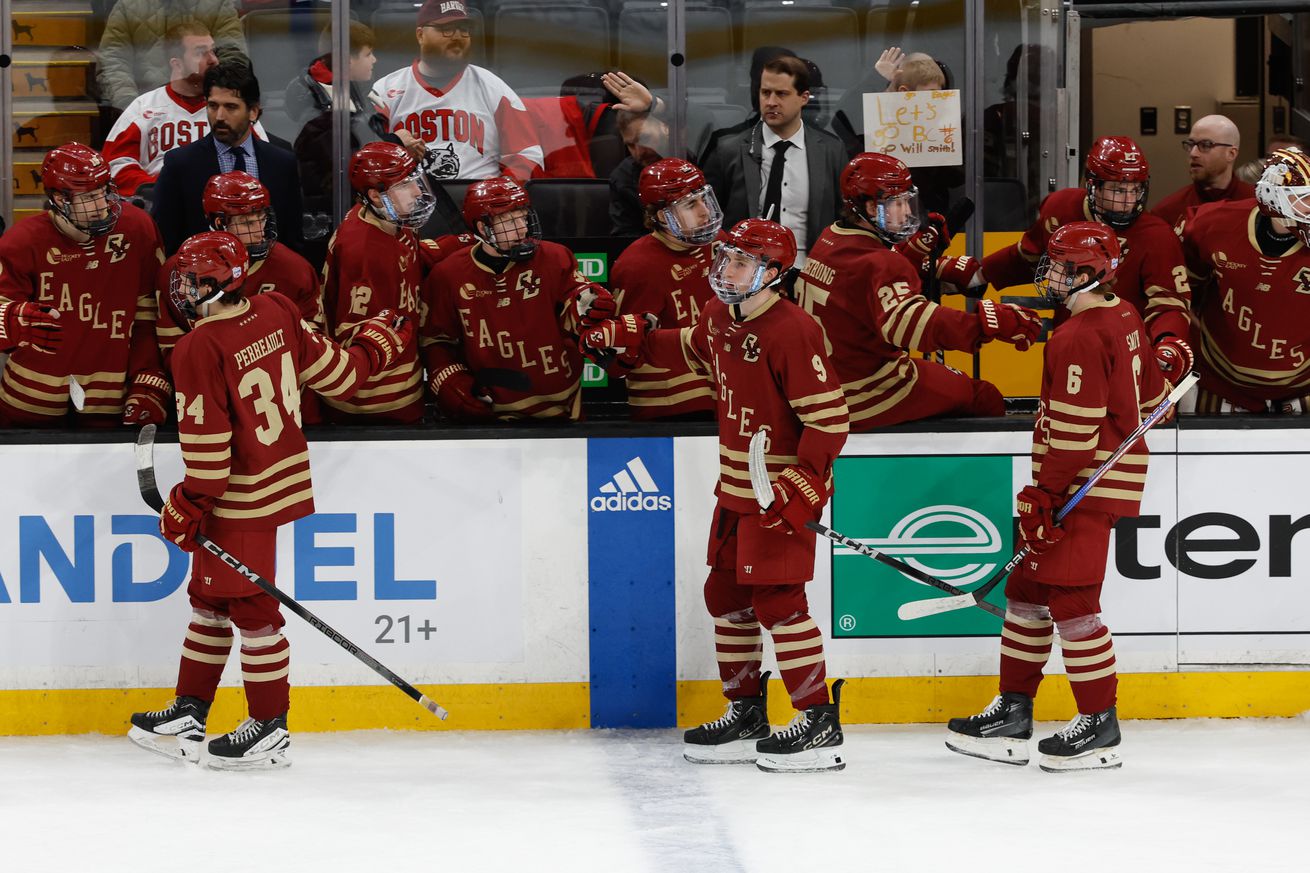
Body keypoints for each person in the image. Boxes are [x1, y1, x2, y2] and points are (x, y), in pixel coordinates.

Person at [127, 231, 413, 770]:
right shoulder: (277, 308)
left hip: (239, 495)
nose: (183, 290)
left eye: (195, 282)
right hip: (280, 479)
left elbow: (210, 457)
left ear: (222, 282)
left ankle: (268, 726)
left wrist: (187, 505)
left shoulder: (196, 347)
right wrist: (378, 343)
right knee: (210, 602)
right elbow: (341, 375)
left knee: (253, 611)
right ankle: (191, 708)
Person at [595, 218, 850, 772]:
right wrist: (631, 341)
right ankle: (746, 710)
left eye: (739, 262)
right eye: (726, 258)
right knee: (726, 599)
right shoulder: (718, 316)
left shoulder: (793, 330)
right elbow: (688, 348)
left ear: (774, 274)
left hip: (776, 496)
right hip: (734, 492)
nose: (725, 270)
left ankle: (817, 720)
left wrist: (801, 488)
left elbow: (829, 422)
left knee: (781, 605)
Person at [945, 222, 1176, 773]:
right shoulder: (1122, 313)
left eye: (1062, 267)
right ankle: (1014, 709)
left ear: (1090, 272)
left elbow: (1074, 433)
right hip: (1090, 481)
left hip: (1081, 488)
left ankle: (1099, 723)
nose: (1049, 275)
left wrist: (1045, 496)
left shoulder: (1077, 335)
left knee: (1073, 603)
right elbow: (1155, 394)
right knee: (1026, 590)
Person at [796, 153, 1041, 429]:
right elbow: (913, 325)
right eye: (896, 203)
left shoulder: (829, 239)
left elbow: (862, 287)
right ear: (868, 206)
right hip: (865, 393)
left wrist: (915, 261)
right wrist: (985, 324)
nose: (908, 212)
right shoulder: (882, 263)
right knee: (985, 397)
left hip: (825, 383)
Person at [422, 177, 620, 422]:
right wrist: (448, 378)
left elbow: (578, 300)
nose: (523, 228)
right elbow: (436, 340)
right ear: (483, 228)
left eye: (523, 217)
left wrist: (589, 305)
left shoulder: (556, 257)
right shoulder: (448, 275)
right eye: (509, 221)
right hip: (490, 415)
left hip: (564, 409)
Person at [0, 143, 167, 428]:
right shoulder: (21, 242)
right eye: (89, 197)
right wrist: (10, 321)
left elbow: (151, 317)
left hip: (110, 402)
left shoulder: (138, 229)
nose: (102, 206)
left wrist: (148, 382)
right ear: (57, 198)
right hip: (27, 404)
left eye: (104, 192)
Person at [981, 136, 1191, 359]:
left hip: (1126, 354)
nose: (1129, 200)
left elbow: (1169, 304)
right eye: (1118, 190)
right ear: (1093, 186)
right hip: (1069, 341)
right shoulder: (1061, 208)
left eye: (1135, 189)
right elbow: (1027, 259)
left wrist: (1168, 343)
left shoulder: (1157, 236)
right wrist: (978, 273)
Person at [320, 142, 443, 425]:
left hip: (404, 381)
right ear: (376, 196)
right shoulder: (363, 250)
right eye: (404, 186)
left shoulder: (390, 217)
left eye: (415, 181)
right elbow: (357, 339)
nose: (416, 192)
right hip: (376, 401)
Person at [1181, 147, 1310, 414]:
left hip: (1302, 391)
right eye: (1303, 199)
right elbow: (1179, 293)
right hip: (1219, 384)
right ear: (1272, 197)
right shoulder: (1213, 224)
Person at [156, 171, 322, 365]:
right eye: (247, 223)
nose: (260, 232)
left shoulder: (295, 270)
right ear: (219, 223)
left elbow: (313, 350)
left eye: (262, 219)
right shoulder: (178, 272)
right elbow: (173, 355)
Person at [369, 0, 543, 181]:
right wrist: (393, 146)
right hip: (410, 200)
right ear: (420, 35)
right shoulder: (384, 90)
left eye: (463, 29)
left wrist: (503, 191)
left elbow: (528, 154)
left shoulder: (493, 87)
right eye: (447, 29)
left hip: (483, 198)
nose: (457, 36)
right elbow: (366, 157)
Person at [703, 55, 845, 266]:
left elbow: (842, 218)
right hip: (746, 272)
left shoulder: (831, 150)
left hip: (808, 271)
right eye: (765, 92)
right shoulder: (728, 150)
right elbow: (709, 219)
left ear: (804, 97)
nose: (771, 102)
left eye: (781, 94)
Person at [609, 158, 723, 419]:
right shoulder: (637, 266)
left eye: (704, 200)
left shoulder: (720, 244)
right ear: (663, 216)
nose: (705, 211)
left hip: (723, 389)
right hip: (670, 405)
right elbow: (620, 361)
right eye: (691, 205)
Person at [152, 61, 304, 256]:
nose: (220, 116)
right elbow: (166, 240)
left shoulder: (282, 162)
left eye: (231, 107)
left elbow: (292, 240)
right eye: (213, 106)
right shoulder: (180, 164)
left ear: (253, 112)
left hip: (267, 278)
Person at [102, 21, 266, 200]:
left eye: (212, 51)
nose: (213, 60)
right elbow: (115, 162)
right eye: (201, 53)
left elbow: (264, 158)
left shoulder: (231, 106)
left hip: (225, 205)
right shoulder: (145, 106)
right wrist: (154, 188)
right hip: (159, 206)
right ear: (177, 64)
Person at [96, 0, 248, 112]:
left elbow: (233, 58)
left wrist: (216, 102)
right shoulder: (127, 6)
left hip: (207, 107)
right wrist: (131, 106)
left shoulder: (218, 4)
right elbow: (113, 63)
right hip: (145, 107)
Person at [1151, 115, 1255, 236]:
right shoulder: (1167, 212)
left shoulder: (1258, 206)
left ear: (1231, 154)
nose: (1193, 153)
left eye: (1205, 145)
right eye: (1190, 145)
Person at [609, 110, 671, 237]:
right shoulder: (623, 177)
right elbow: (625, 235)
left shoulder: (697, 160)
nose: (639, 152)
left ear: (665, 128)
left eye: (645, 138)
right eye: (630, 145)